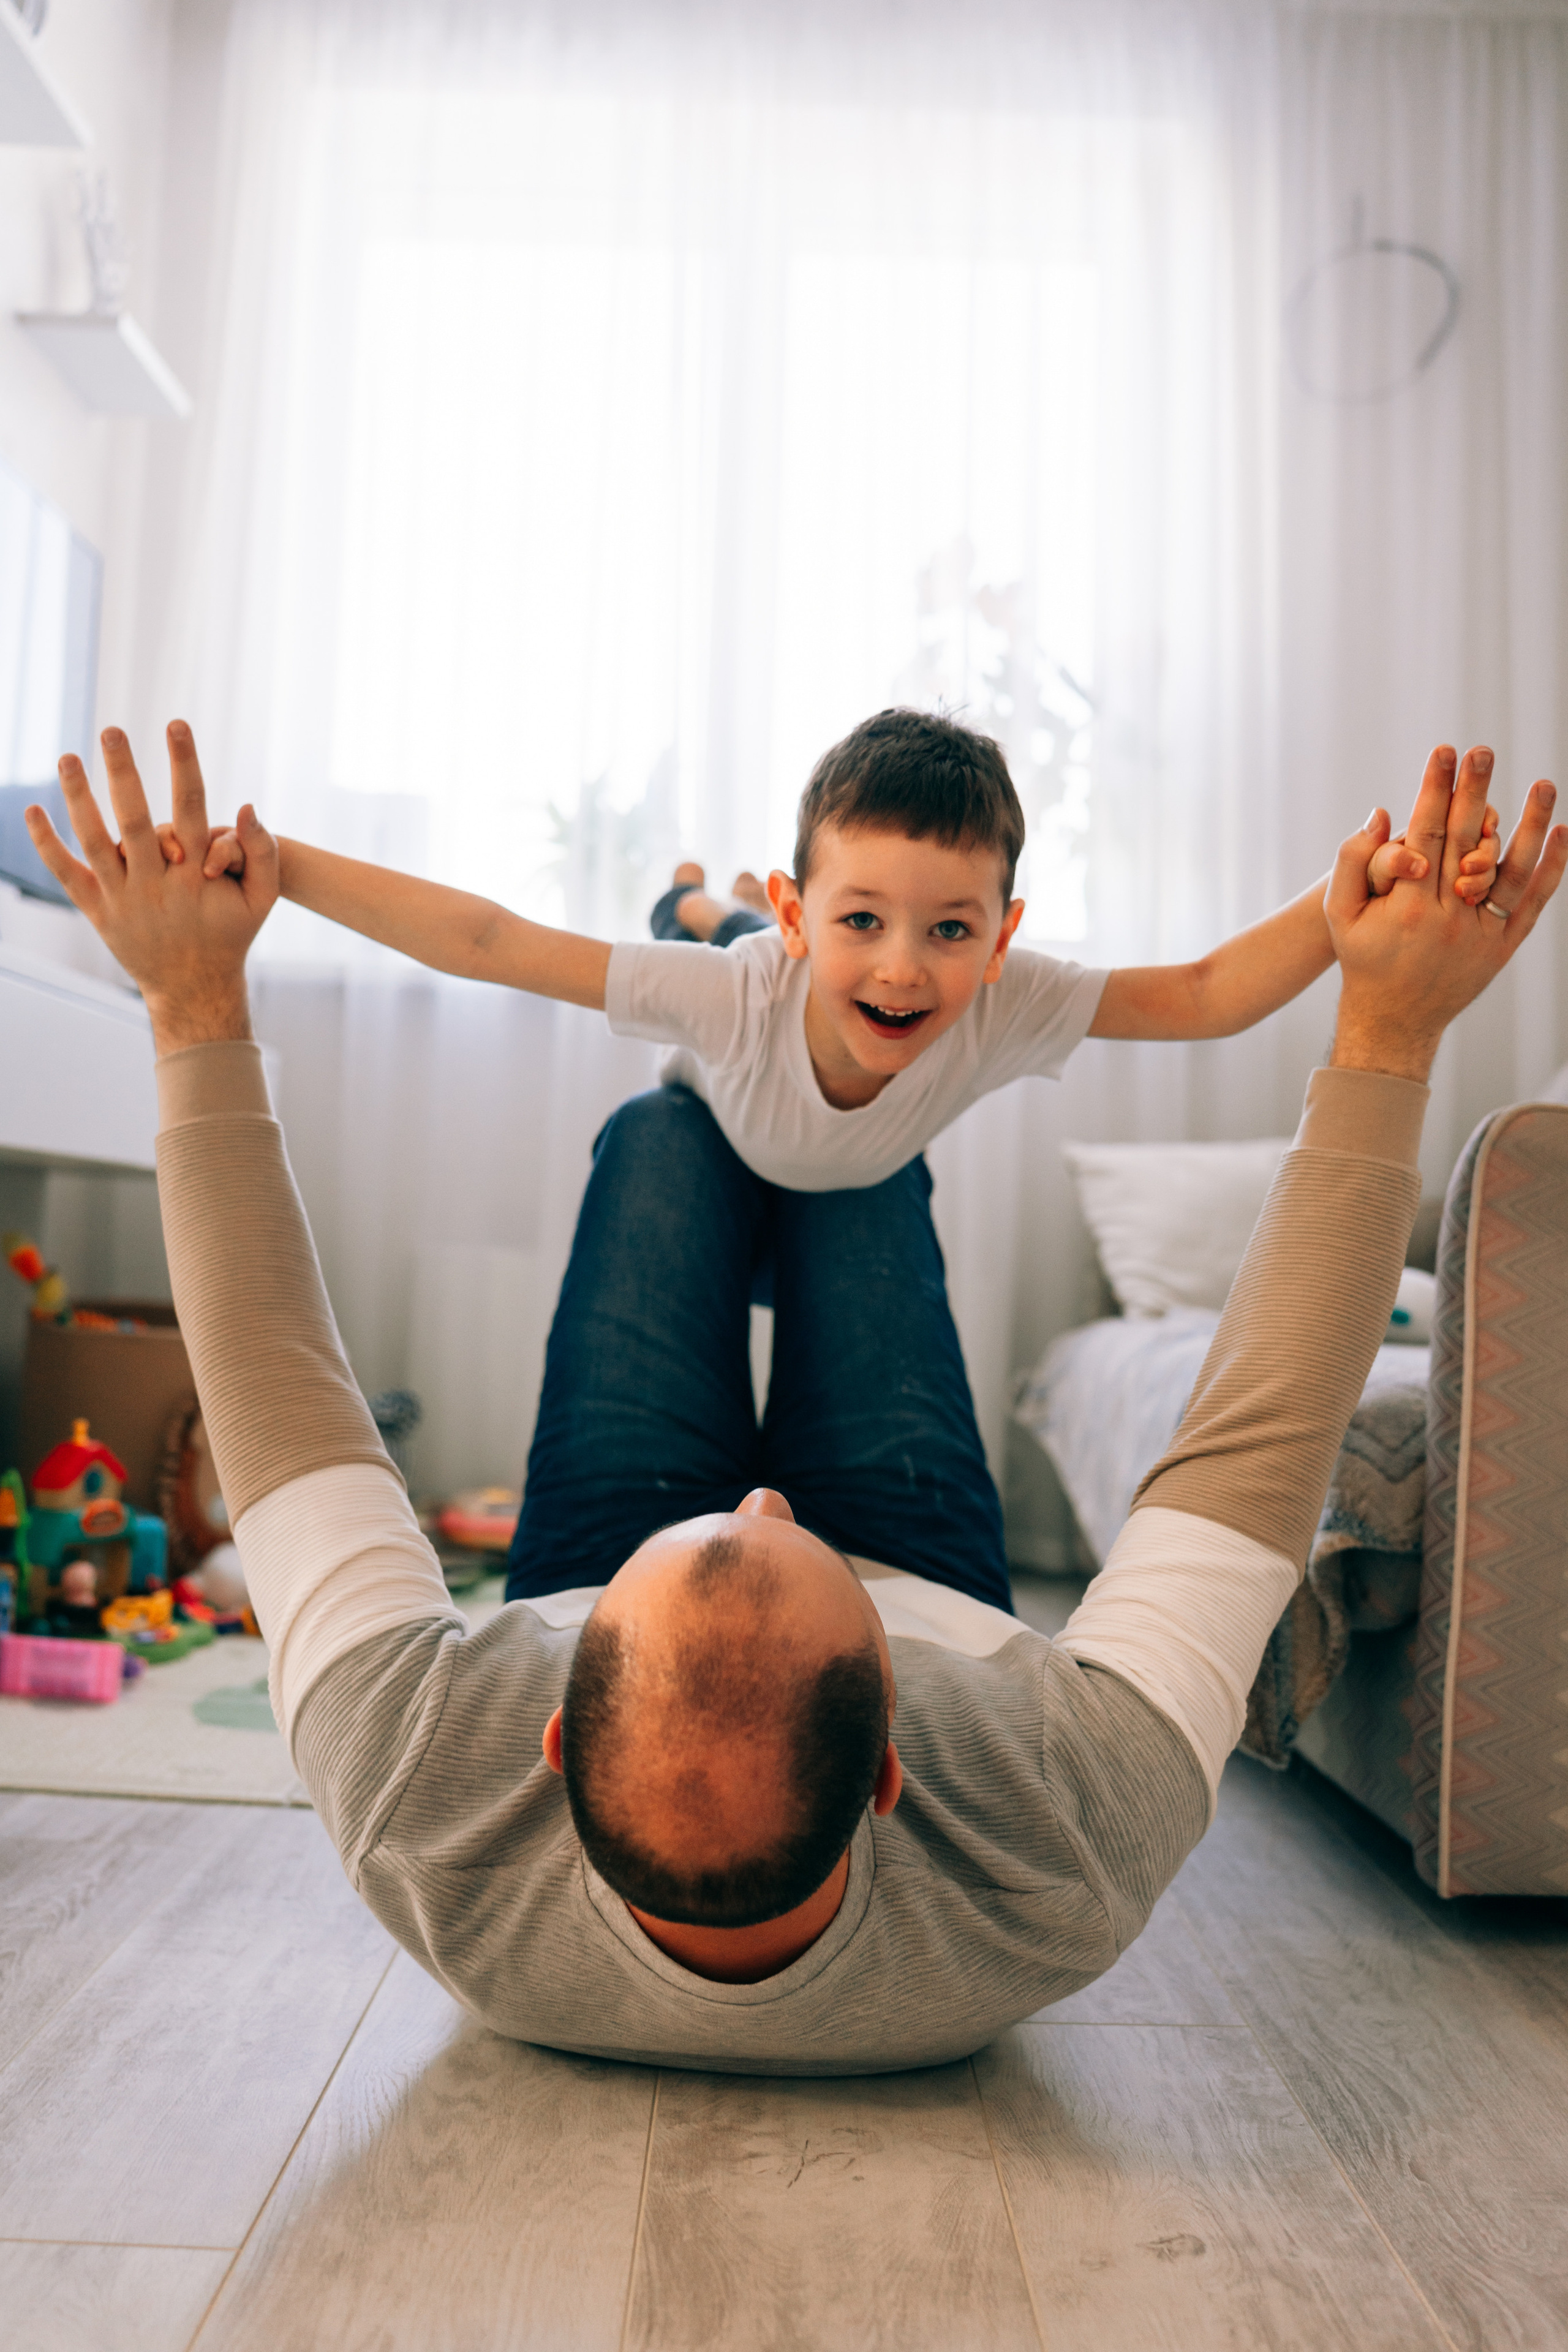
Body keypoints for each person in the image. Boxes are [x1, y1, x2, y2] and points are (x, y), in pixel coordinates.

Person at [28, 725, 1561, 2074]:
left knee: (664, 1140)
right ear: (894, 1761)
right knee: (857, 1172)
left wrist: (191, 998)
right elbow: (1267, 1440)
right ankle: (705, 923)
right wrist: (1387, 1024)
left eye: (720, 1544)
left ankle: (697, 917)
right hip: (838, 1274)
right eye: (784, 1539)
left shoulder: (420, 1794)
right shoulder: (1064, 1832)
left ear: (552, 1742)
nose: (762, 1496)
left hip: (598, 1512)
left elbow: (273, 1401)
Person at [172, 708, 1506, 1195]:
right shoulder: (743, 993)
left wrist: (1348, 900)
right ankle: (697, 900)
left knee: (790, 955)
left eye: (951, 931)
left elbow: (1208, 994)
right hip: (738, 1003)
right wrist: (284, 866)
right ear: (811, 909)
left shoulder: (1006, 1000)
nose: (907, 971)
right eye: (863, 917)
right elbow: (490, 938)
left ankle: (718, 901)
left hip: (790, 976)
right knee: (720, 943)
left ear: (1004, 939)